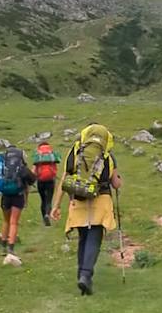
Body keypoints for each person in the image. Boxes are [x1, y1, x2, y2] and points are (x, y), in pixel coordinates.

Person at [50, 124, 122, 295]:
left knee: (83, 236)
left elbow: (65, 179)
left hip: (78, 198)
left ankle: (81, 275)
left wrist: (56, 205)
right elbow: (115, 183)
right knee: (94, 237)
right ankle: (86, 275)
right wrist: (119, 181)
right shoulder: (107, 155)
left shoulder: (75, 152)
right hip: (101, 199)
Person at [0, 144, 35, 264]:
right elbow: (27, 185)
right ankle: (11, 248)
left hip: (5, 195)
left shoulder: (3, 164)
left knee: (6, 221)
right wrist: (26, 200)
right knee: (14, 222)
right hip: (18, 195)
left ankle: (3, 245)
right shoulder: (21, 166)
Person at [32, 140, 60, 226]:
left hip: (40, 180)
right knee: (49, 200)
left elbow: (33, 169)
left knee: (43, 200)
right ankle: (48, 214)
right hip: (50, 180)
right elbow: (55, 166)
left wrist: (32, 179)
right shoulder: (51, 154)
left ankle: (44, 217)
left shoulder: (38, 155)